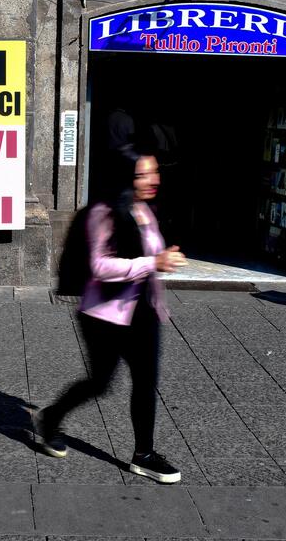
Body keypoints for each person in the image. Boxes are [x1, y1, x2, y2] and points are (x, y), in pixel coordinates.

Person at [33, 154, 188, 484]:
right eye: (143, 175)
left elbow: (150, 259)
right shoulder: (104, 213)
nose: (152, 179)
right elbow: (100, 266)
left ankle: (143, 455)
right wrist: (153, 262)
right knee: (100, 383)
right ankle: (50, 418)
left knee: (146, 384)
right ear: (126, 178)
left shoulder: (146, 210)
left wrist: (165, 258)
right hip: (104, 316)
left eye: (155, 172)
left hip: (144, 312)